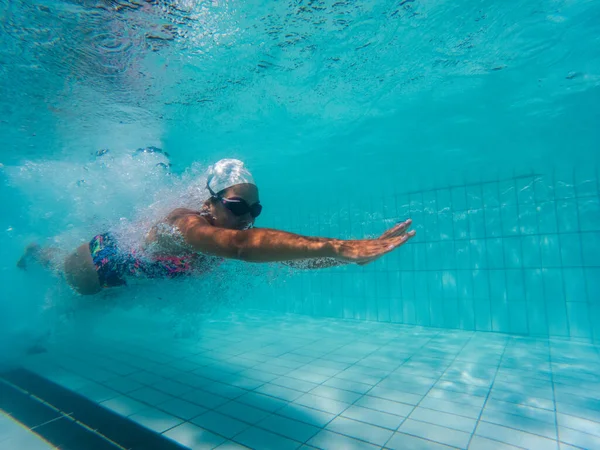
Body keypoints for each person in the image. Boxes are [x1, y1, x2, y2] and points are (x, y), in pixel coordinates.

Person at [17, 159, 416, 295]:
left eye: (254, 209)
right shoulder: (186, 222)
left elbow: (293, 261)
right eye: (237, 206)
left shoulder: (236, 235)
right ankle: (37, 254)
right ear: (210, 203)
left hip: (123, 284)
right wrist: (342, 245)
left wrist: (346, 259)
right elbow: (240, 248)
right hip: (95, 266)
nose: (247, 217)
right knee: (56, 272)